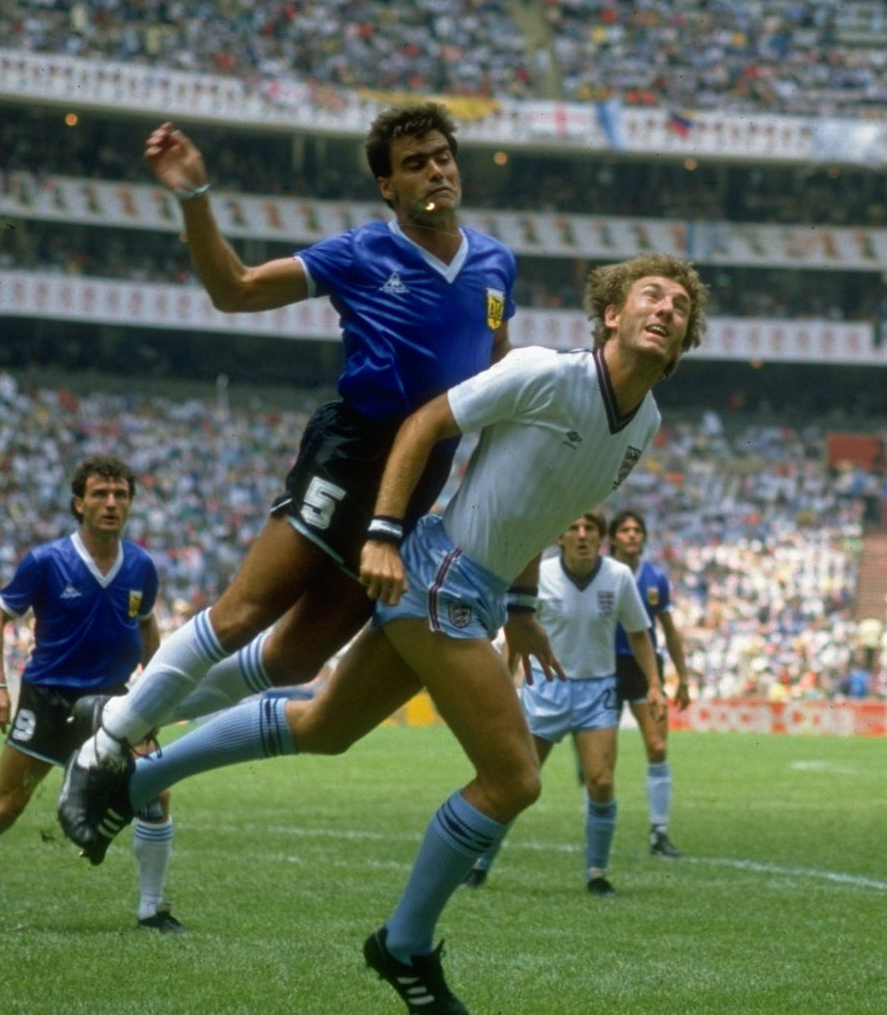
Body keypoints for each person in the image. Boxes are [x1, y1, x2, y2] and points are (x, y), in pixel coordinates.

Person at [62, 254, 707, 1013]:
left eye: (681, 307)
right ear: (611, 315)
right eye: (651, 295)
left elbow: (542, 504)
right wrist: (383, 533)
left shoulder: (644, 424)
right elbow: (425, 423)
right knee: (514, 779)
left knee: (323, 727)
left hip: (479, 593)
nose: (666, 309)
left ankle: (131, 778)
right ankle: (404, 944)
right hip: (440, 579)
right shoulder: (545, 371)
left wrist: (523, 608)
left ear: (685, 340)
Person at [60, 102, 516, 855]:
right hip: (351, 453)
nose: (436, 170)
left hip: (417, 479)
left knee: (296, 659)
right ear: (388, 187)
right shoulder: (362, 252)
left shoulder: (496, 263)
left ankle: (120, 713)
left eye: (442, 156)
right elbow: (235, 289)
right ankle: (103, 748)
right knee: (243, 614)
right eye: (415, 163)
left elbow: (494, 367)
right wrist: (193, 195)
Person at [0, 455, 182, 931]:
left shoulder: (141, 565)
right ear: (79, 503)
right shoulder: (46, 561)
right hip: (48, 702)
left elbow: (147, 629)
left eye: (121, 495)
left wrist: (157, 691)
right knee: (6, 806)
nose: (111, 503)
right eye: (100, 494)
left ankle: (153, 910)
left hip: (114, 704)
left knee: (156, 794)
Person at [466, 513, 662, 895]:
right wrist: (503, 682)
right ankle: (479, 865)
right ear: (560, 536)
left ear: (602, 538)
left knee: (601, 782)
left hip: (598, 691)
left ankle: (597, 873)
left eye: (591, 529)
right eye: (574, 528)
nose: (582, 535)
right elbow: (516, 634)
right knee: (515, 784)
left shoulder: (619, 576)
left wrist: (655, 684)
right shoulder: (539, 576)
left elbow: (639, 634)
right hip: (545, 689)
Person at [605, 509, 694, 857]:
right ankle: (601, 829)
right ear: (613, 537)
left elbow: (670, 632)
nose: (632, 535)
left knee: (657, 747)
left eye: (637, 530)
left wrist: (683, 678)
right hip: (606, 667)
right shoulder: (602, 573)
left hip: (645, 670)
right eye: (625, 530)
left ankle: (659, 832)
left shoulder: (656, 577)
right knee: (602, 756)